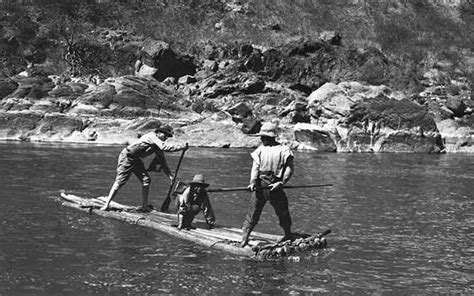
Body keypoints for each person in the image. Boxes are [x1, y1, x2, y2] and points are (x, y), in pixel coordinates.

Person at [100, 125, 188, 212]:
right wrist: (181, 147)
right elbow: (165, 147)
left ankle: (144, 206)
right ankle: (107, 204)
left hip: (136, 160)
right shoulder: (152, 136)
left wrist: (170, 176)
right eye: (165, 135)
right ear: (159, 133)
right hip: (127, 157)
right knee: (120, 182)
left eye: (167, 137)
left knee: (146, 180)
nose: (166, 138)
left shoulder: (157, 146)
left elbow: (163, 162)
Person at [240, 122, 294, 247]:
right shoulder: (260, 150)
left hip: (275, 185)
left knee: (283, 212)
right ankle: (245, 238)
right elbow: (255, 168)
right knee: (253, 212)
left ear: (269, 137)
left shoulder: (284, 150)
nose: (261, 139)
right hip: (260, 185)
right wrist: (252, 182)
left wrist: (281, 182)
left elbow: (289, 169)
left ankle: (287, 234)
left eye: (263, 137)